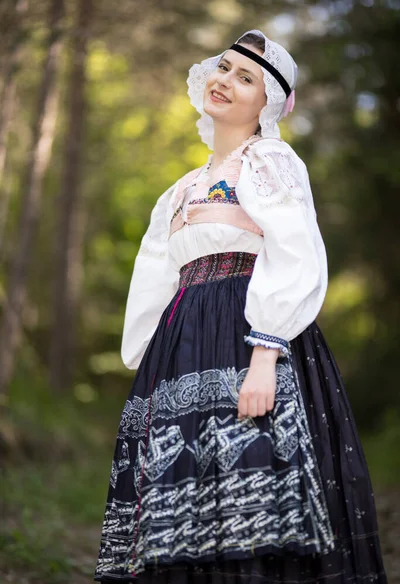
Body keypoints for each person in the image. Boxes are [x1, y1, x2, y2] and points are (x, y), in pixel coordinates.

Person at [94, 29, 387, 583]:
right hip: (181, 350)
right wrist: (150, 374)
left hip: (248, 337)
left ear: (267, 104)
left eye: (245, 77)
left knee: (251, 493)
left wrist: (265, 355)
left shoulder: (268, 161)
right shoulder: (181, 190)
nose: (225, 81)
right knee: (183, 506)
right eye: (224, 68)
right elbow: (156, 281)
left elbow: (297, 255)